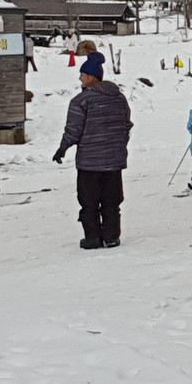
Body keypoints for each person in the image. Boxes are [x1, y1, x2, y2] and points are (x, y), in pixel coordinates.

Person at [53, 52, 133, 249]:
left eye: (82, 75)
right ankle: (111, 236)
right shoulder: (119, 98)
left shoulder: (81, 101)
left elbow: (73, 131)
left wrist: (62, 149)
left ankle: (93, 238)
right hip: (114, 161)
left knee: (89, 201)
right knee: (112, 200)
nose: (80, 78)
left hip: (90, 163)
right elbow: (126, 125)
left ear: (91, 77)